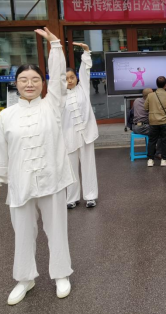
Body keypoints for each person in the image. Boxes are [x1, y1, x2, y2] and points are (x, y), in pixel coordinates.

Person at [0, 27, 75, 305]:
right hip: (21, 182)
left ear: (43, 83)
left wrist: (56, 45)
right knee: (23, 233)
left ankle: (61, 274)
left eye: (35, 79)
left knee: (56, 230)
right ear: (16, 83)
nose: (29, 84)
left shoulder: (53, 105)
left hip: (52, 179)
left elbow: (59, 77)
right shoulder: (6, 116)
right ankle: (25, 278)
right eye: (23, 79)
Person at [63, 42, 100, 209]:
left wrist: (86, 52)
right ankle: (71, 198)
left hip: (86, 134)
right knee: (70, 168)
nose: (70, 80)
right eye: (66, 78)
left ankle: (90, 196)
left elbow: (85, 71)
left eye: (72, 77)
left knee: (88, 165)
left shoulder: (83, 88)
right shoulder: (58, 96)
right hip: (68, 136)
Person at [145, 76, 166, 167]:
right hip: (165, 121)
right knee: (165, 141)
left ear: (156, 84)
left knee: (152, 141)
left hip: (153, 121)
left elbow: (146, 107)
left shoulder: (150, 95)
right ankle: (164, 160)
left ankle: (150, 160)